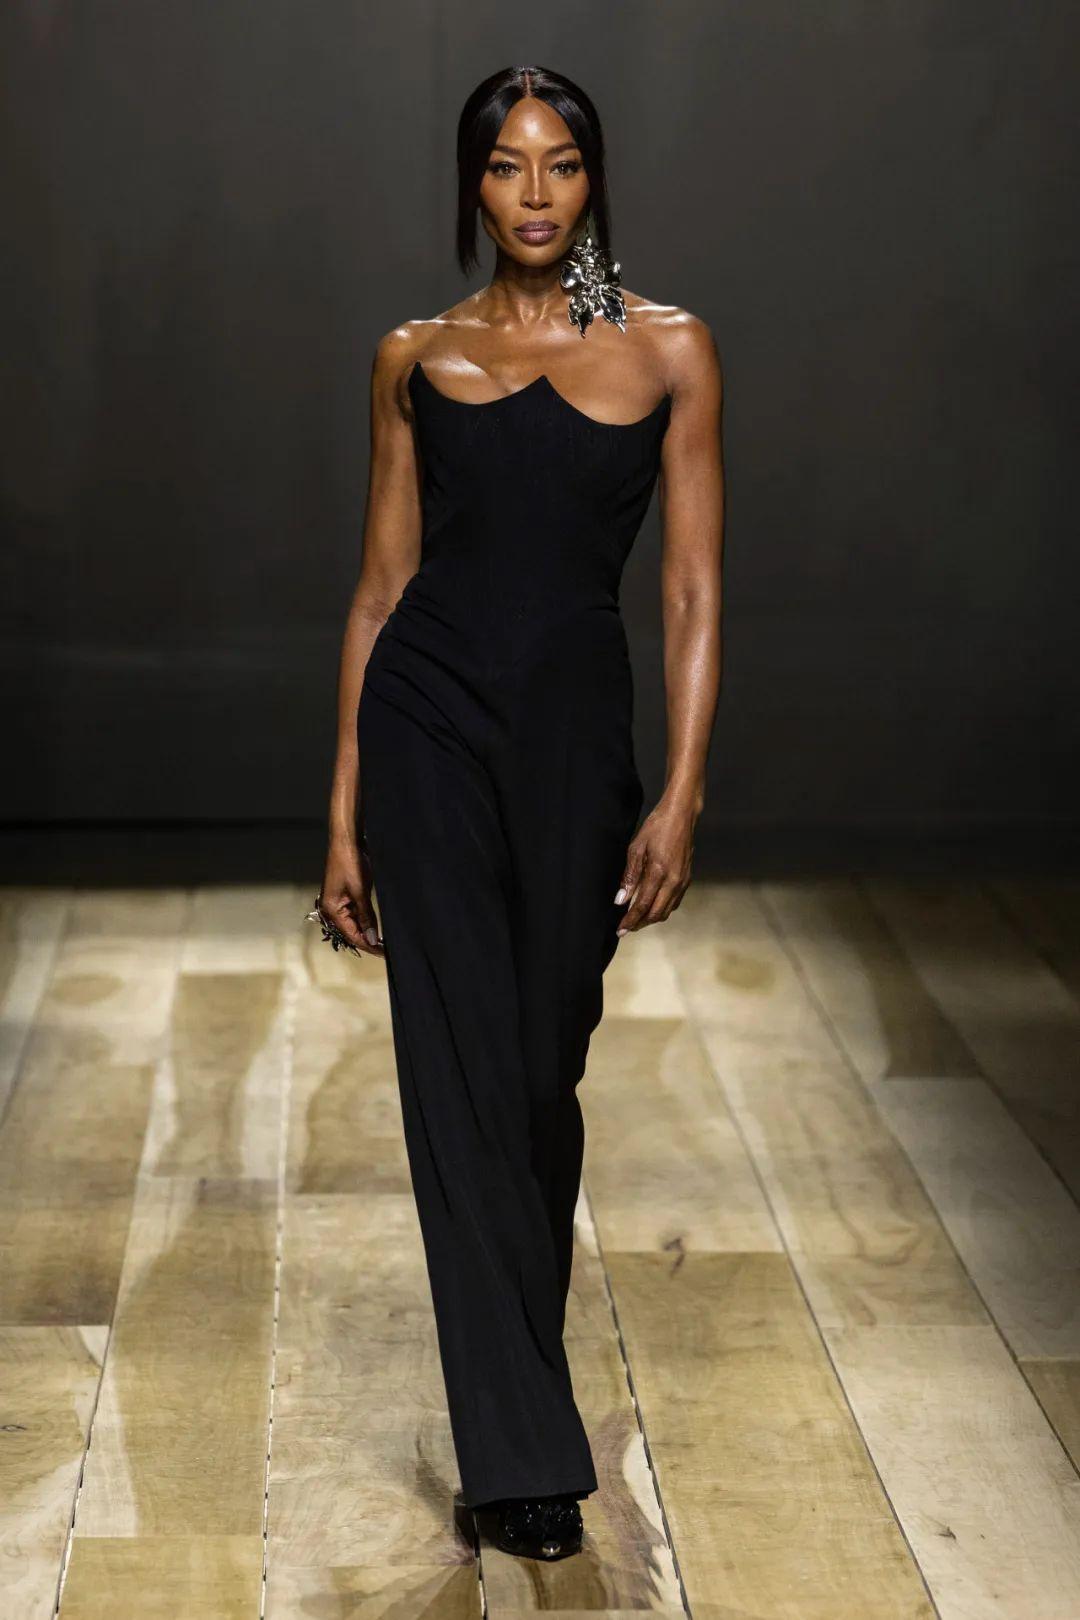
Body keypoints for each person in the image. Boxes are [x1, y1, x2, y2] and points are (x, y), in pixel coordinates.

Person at [313, 63, 723, 1562]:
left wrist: (681, 789)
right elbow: (378, 594)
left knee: (542, 1075)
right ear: (471, 185)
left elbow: (691, 587)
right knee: (460, 1076)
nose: (535, 191)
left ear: (594, 180)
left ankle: (515, 1397)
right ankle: (522, 1455)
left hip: (573, 750)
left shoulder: (669, 348)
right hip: (427, 728)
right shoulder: (413, 357)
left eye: (559, 163)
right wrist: (345, 814)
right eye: (505, 165)